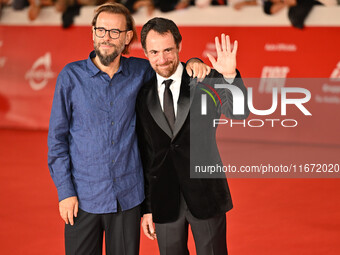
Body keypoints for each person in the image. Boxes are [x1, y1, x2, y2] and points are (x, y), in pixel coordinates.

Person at [47, 3, 208, 255]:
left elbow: (168, 65)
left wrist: (194, 62)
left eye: (114, 32)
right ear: (92, 33)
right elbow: (57, 141)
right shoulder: (70, 77)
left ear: (127, 37)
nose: (107, 38)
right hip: (83, 198)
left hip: (128, 199)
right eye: (101, 30)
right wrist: (65, 192)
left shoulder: (141, 72)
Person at [136, 17, 249, 255]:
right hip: (164, 202)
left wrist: (229, 77)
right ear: (145, 52)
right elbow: (147, 154)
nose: (162, 58)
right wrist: (146, 208)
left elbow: (238, 113)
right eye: (154, 52)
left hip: (206, 194)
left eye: (168, 50)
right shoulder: (142, 94)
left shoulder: (202, 78)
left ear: (179, 46)